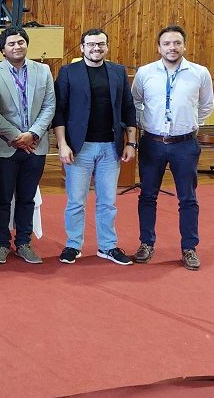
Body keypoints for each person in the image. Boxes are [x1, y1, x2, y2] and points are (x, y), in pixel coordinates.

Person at [53, 29, 137, 265]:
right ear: (82, 48)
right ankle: (73, 245)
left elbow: (128, 108)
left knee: (107, 201)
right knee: (76, 201)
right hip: (80, 148)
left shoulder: (118, 72)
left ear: (107, 47)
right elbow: (59, 111)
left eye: (101, 44)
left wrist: (131, 142)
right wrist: (62, 144)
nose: (96, 48)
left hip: (111, 147)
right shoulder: (69, 72)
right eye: (90, 44)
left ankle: (108, 247)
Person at [132, 25, 214, 270]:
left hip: (185, 144)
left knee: (188, 198)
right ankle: (146, 243)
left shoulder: (199, 73)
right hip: (153, 143)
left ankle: (189, 247)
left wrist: (190, 124)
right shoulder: (145, 73)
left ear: (184, 46)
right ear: (159, 47)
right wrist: (146, 122)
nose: (172, 47)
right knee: (147, 196)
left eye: (177, 43)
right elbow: (135, 101)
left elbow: (206, 104)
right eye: (167, 43)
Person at [0, 28, 56, 265]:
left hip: (35, 146)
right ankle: (2, 244)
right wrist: (16, 136)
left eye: (21, 42)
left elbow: (49, 105)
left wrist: (33, 134)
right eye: (11, 44)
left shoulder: (43, 70)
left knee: (27, 198)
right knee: (2, 197)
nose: (17, 46)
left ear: (27, 45)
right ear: (3, 49)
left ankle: (24, 243)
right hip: (6, 146)